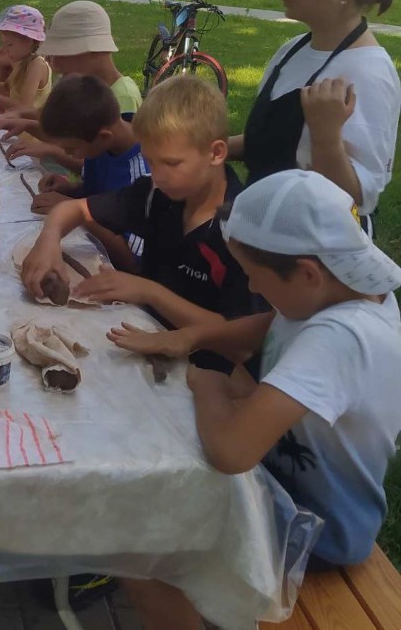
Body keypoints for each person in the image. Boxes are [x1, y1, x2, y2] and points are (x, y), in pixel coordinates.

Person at [110, 170, 401, 630]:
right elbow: (270, 324)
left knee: (136, 544)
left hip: (316, 532)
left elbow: (231, 452)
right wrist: (190, 338)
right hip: (283, 490)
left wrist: (208, 383)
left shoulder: (341, 339)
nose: (252, 290)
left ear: (307, 273)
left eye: (254, 277)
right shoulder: (343, 286)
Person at [22, 75, 259, 371]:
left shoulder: (244, 231)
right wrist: (49, 240)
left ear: (216, 153)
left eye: (171, 163)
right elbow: (75, 209)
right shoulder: (157, 194)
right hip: (142, 342)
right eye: (150, 161)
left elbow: (241, 340)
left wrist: (149, 292)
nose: (157, 175)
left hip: (203, 371)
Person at [230, 0, 400, 231]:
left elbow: (357, 199)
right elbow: (275, 141)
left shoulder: (367, 72)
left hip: (312, 248)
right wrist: (206, 149)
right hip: (264, 232)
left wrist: (326, 135)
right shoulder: (292, 49)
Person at [29, 75, 148, 270]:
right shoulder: (104, 141)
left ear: (103, 137)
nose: (68, 154)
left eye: (72, 149)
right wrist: (71, 189)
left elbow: (132, 260)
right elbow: (101, 190)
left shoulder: (144, 173)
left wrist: (79, 213)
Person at [0, 0, 142, 143]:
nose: (55, 65)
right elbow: (56, 122)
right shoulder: (84, 86)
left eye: (62, 55)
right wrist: (23, 117)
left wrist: (47, 149)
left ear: (93, 52)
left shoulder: (123, 95)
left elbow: (94, 152)